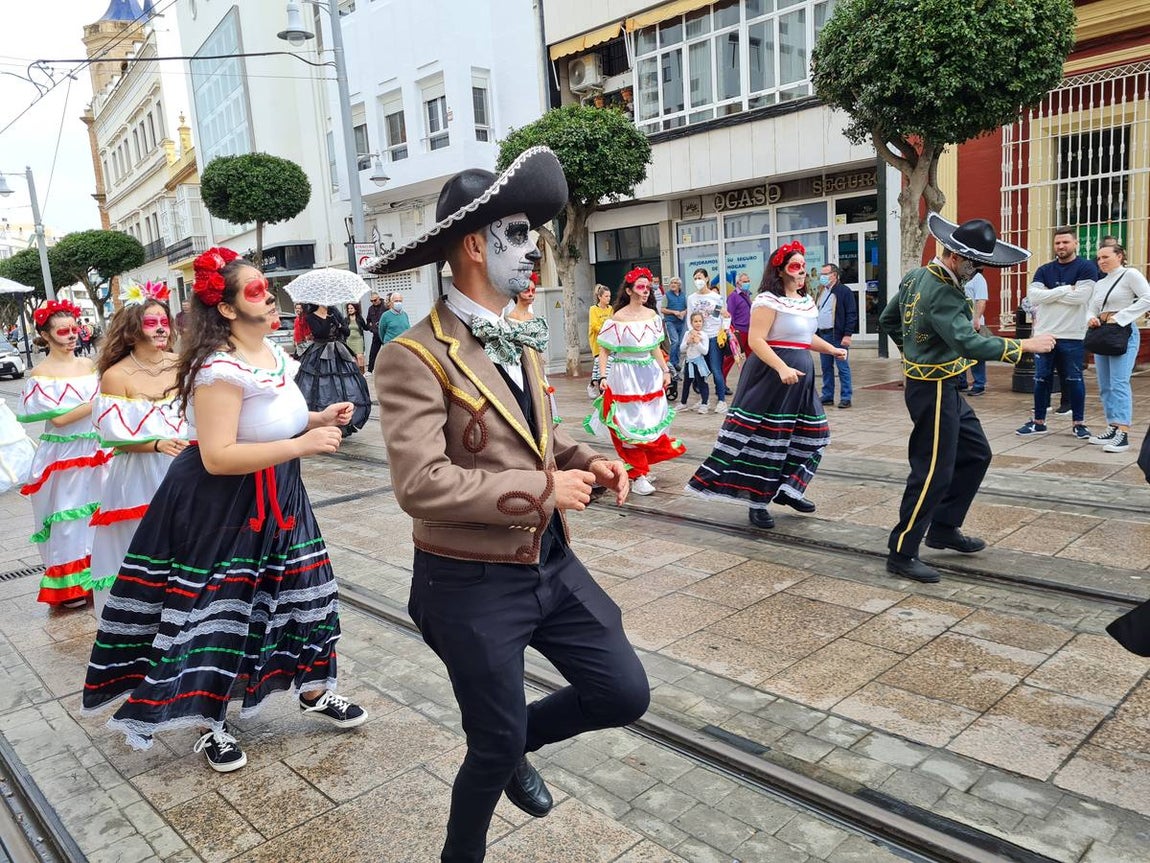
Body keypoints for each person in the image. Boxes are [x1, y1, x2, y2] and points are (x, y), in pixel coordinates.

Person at [366, 147, 649, 863]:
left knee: (622, 690)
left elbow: (533, 439)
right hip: (467, 582)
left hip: (548, 563)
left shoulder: (519, 340)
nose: (535, 249)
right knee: (489, 746)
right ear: (472, 244)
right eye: (518, 234)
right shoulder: (412, 355)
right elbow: (420, 483)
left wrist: (586, 460)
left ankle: (513, 735)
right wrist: (544, 491)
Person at [83, 247, 367, 769]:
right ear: (230, 309)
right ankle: (210, 722)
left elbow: (275, 419)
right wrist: (303, 445)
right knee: (217, 607)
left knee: (304, 592)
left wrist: (316, 416)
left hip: (280, 496)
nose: (272, 297)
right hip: (222, 502)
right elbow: (218, 456)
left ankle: (313, 689)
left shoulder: (276, 355)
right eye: (257, 290)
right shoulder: (218, 369)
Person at [879, 215, 1055, 584]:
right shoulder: (943, 289)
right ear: (957, 257)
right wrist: (1022, 344)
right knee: (932, 471)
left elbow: (888, 320)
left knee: (976, 453)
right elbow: (968, 342)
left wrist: (913, 351)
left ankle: (943, 527)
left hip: (942, 385)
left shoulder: (917, 276)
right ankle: (902, 551)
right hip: (935, 390)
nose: (978, 275)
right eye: (976, 266)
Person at [686, 242, 843, 527]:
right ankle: (756, 501)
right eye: (795, 267)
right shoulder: (767, 300)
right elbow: (757, 340)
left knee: (815, 434)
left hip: (800, 379)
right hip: (771, 375)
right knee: (769, 439)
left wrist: (831, 350)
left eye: (804, 267)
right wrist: (782, 367)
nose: (802, 272)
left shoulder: (805, 300)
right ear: (780, 270)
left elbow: (805, 338)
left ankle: (790, 488)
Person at [88, 282, 188, 615]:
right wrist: (157, 444)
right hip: (140, 475)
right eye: (151, 322)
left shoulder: (181, 363)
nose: (161, 327)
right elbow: (113, 435)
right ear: (133, 330)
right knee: (148, 545)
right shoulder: (116, 376)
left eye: (164, 321)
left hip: (186, 465)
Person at [16, 300, 112, 607]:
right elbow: (59, 419)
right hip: (63, 455)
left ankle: (100, 574)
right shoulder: (40, 374)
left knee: (100, 510)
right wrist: (98, 401)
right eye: (63, 331)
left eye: (74, 329)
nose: (72, 335)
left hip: (96, 449)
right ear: (45, 335)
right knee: (67, 516)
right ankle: (70, 585)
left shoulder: (90, 365)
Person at [587, 267, 686, 496]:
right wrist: (602, 376)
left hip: (649, 376)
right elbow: (604, 350)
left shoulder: (652, 316)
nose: (645, 292)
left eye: (648, 288)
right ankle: (639, 474)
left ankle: (639, 467)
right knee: (628, 424)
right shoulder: (617, 318)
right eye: (641, 287)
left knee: (647, 423)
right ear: (629, 290)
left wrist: (665, 370)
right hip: (625, 375)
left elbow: (655, 349)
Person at [1016, 228, 1098, 439]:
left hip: (1072, 334)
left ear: (1075, 243)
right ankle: (1038, 422)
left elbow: (1081, 298)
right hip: (1044, 334)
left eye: (1065, 242)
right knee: (1041, 379)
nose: (1061, 246)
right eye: (1057, 243)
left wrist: (1049, 295)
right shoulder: (1044, 269)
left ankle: (1079, 423)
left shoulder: (1086, 267)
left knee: (1074, 379)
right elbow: (1033, 297)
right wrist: (1065, 289)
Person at [1086, 242, 1150, 454]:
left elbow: (1147, 298)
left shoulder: (1130, 274)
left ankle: (1123, 432)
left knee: (1119, 382)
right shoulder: (1100, 283)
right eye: (1099, 258)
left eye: (1106, 257)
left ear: (1120, 256)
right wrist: (1092, 319)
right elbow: (1091, 308)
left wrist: (1120, 318)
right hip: (1103, 333)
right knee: (1105, 384)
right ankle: (1112, 426)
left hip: (1123, 333)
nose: (1101, 261)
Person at [295, 303, 371, 437]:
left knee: (344, 385)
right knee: (321, 386)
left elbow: (346, 331)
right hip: (319, 353)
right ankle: (319, 421)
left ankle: (344, 421)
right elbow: (320, 333)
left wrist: (337, 321)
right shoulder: (311, 316)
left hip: (338, 352)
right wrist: (328, 318)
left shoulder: (334, 313)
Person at [686, 268, 730, 412]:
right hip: (699, 338)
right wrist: (692, 332)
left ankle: (722, 401)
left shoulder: (715, 297)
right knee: (700, 371)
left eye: (700, 277)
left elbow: (722, 317)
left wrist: (723, 332)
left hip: (713, 338)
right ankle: (704, 400)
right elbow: (689, 318)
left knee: (716, 369)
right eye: (695, 278)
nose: (698, 281)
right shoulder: (691, 298)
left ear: (707, 279)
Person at [815, 263, 858, 408]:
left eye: (825, 274)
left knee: (842, 367)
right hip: (823, 335)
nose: (822, 277)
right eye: (822, 274)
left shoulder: (844, 291)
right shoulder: (822, 291)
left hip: (837, 335)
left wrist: (847, 334)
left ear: (834, 275)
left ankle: (846, 397)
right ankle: (827, 396)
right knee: (826, 367)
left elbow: (851, 314)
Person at [958, 266, 989, 396]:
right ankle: (961, 382)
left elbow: (981, 300)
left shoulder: (978, 279)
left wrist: (976, 319)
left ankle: (979, 384)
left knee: (977, 354)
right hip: (961, 323)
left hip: (973, 324)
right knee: (959, 353)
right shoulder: (961, 279)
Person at [723, 272, 754, 382]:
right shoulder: (733, 296)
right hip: (739, 331)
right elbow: (729, 314)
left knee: (752, 357)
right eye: (744, 281)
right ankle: (721, 382)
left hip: (748, 330)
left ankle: (750, 380)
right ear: (738, 283)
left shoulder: (746, 295)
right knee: (731, 357)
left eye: (748, 281)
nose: (747, 283)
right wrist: (732, 331)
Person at [679, 311, 711, 412]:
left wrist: (698, 343)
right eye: (695, 321)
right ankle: (683, 403)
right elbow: (682, 349)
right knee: (686, 383)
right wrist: (688, 342)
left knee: (702, 382)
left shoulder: (704, 335)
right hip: (689, 362)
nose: (698, 323)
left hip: (699, 362)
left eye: (700, 321)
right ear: (691, 322)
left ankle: (705, 403)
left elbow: (705, 351)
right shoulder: (687, 334)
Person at [587, 284, 612, 398]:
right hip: (597, 340)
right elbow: (594, 325)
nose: (608, 298)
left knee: (603, 363)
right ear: (600, 297)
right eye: (606, 296)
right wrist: (604, 330)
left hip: (608, 340)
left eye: (609, 296)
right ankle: (593, 384)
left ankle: (597, 383)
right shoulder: (593, 309)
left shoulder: (610, 309)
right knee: (598, 362)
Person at [662, 276, 687, 375]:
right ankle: (672, 362)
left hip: (681, 321)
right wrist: (674, 312)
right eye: (672, 283)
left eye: (675, 283)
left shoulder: (683, 295)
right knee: (675, 341)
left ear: (679, 285)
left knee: (680, 343)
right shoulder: (666, 295)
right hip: (670, 322)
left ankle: (676, 362)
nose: (673, 285)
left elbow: (687, 308)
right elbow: (662, 309)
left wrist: (683, 313)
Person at [344, 301, 368, 373]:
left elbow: (365, 327)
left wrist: (372, 325)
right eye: (348, 308)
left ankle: (362, 373)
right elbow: (343, 330)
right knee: (353, 359)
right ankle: (357, 373)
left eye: (351, 308)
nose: (350, 310)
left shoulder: (359, 318)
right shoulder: (346, 319)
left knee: (360, 356)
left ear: (355, 309)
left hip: (358, 340)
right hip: (349, 340)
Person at [365, 291, 386, 373]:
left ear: (379, 298)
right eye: (372, 301)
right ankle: (370, 370)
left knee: (388, 352)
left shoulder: (385, 306)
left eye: (375, 300)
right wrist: (371, 328)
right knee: (373, 353)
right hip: (376, 334)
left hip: (385, 334)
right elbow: (368, 321)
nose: (373, 302)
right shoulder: (371, 309)